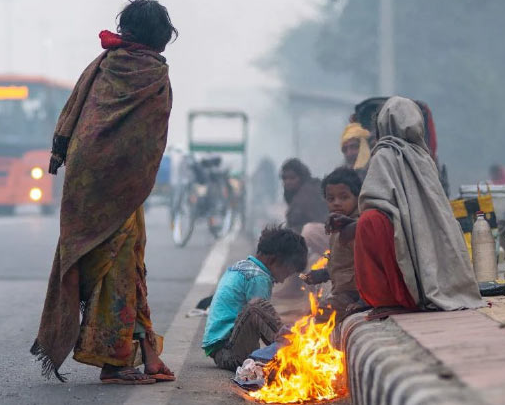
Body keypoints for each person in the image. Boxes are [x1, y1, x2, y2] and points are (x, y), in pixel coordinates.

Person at [31, 0, 178, 385]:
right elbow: (147, 141)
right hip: (122, 183)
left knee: (127, 262)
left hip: (85, 178)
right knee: (119, 266)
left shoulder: (103, 66)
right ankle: (116, 364)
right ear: (160, 37)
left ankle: (148, 355)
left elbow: (75, 116)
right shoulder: (153, 74)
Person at [355, 97, 483, 310]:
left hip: (399, 250)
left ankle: (388, 297)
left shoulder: (384, 154)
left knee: (369, 222)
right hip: (424, 252)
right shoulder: (425, 158)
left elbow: (371, 201)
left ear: (383, 123)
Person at [202, 226, 307, 371]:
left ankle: (288, 348)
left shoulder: (241, 266)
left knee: (259, 309)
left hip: (221, 350)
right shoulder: (258, 277)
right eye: (287, 272)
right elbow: (262, 319)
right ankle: (292, 352)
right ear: (273, 260)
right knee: (257, 307)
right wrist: (280, 344)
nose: (283, 281)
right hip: (230, 352)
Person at [301, 167, 364, 320]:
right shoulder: (336, 227)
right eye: (331, 199)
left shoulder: (357, 227)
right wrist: (323, 274)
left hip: (354, 295)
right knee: (311, 315)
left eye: (344, 197)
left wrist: (364, 301)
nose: (337, 203)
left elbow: (368, 266)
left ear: (357, 197)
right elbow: (343, 264)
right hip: (342, 291)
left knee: (314, 319)